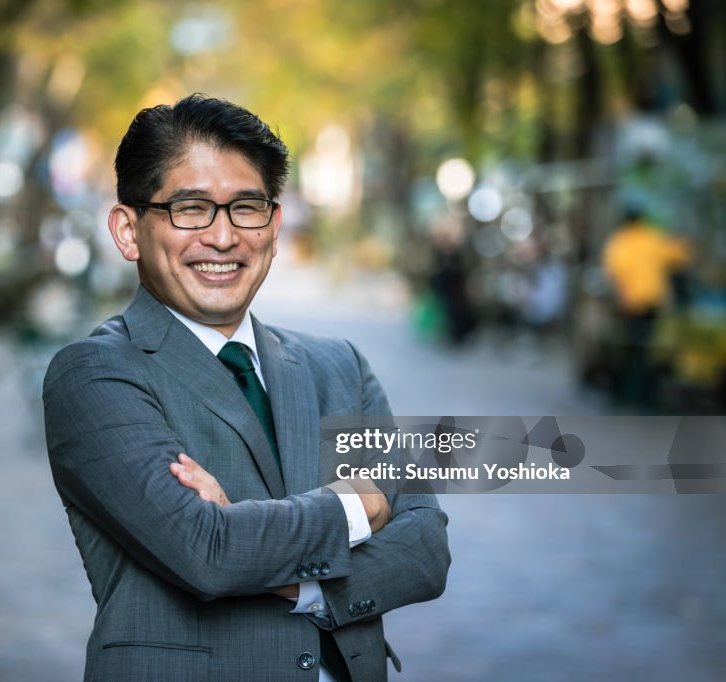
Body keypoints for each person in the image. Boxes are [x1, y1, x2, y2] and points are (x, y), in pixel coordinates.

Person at [43, 95, 450, 681]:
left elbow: (426, 549)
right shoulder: (96, 374)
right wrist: (356, 507)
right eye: (190, 209)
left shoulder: (339, 367)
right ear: (128, 231)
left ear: (275, 228)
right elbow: (207, 551)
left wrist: (284, 573)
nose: (223, 236)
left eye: (246, 208)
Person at [602, 209, 690, 403]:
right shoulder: (653, 238)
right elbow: (679, 256)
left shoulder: (620, 241)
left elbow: (613, 272)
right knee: (644, 347)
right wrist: (681, 240)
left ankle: (624, 391)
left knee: (628, 347)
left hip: (629, 304)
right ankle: (639, 391)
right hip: (651, 302)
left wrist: (621, 296)